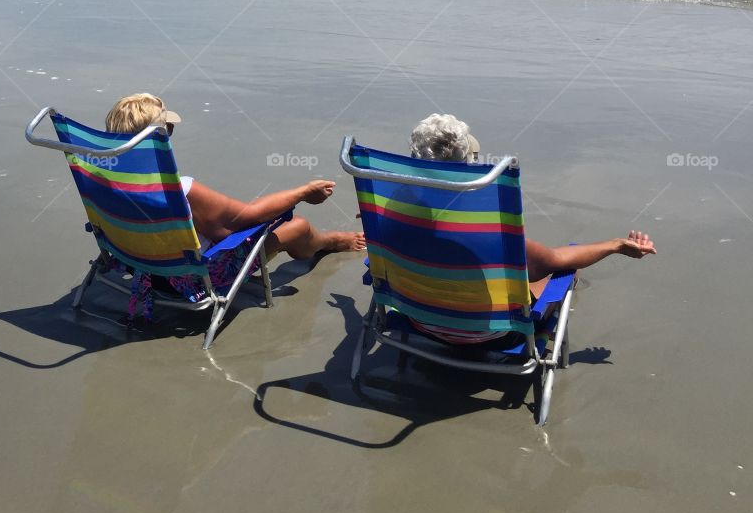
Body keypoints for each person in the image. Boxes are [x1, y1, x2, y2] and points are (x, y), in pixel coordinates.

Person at [409, 113, 657, 292]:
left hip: (418, 321)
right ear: (468, 168)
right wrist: (615, 245)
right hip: (485, 334)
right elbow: (555, 260)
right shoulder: (486, 226)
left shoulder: (391, 212)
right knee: (568, 270)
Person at [106, 92, 365, 259]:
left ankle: (326, 239)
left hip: (138, 262)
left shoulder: (101, 179)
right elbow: (239, 222)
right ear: (158, 140)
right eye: (168, 129)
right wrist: (303, 192)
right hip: (192, 276)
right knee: (298, 226)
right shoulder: (177, 189)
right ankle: (329, 241)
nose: (171, 132)